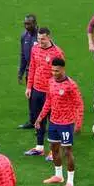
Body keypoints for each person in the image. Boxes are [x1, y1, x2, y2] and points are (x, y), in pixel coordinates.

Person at [35, 58, 83, 186]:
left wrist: (78, 123)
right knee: (54, 149)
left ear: (63, 69)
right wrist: (40, 118)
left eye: (56, 70)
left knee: (67, 152)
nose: (54, 73)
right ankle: (58, 175)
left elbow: (79, 104)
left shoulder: (71, 85)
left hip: (67, 124)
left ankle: (70, 182)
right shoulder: (50, 82)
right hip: (54, 123)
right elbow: (48, 102)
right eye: (52, 70)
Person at [24, 27, 65, 160]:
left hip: (51, 92)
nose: (40, 41)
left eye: (43, 39)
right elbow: (32, 68)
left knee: (53, 121)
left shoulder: (57, 52)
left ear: (49, 37)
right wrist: (29, 87)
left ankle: (54, 150)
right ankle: (39, 147)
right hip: (36, 90)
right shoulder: (35, 49)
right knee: (38, 119)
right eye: (38, 39)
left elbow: (61, 73)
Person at [17, 14, 39, 129]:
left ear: (35, 23)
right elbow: (23, 55)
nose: (26, 26)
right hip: (29, 72)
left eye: (29, 23)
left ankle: (44, 123)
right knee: (30, 97)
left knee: (42, 98)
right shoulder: (24, 36)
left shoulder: (41, 37)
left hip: (41, 73)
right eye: (25, 23)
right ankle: (32, 121)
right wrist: (20, 72)